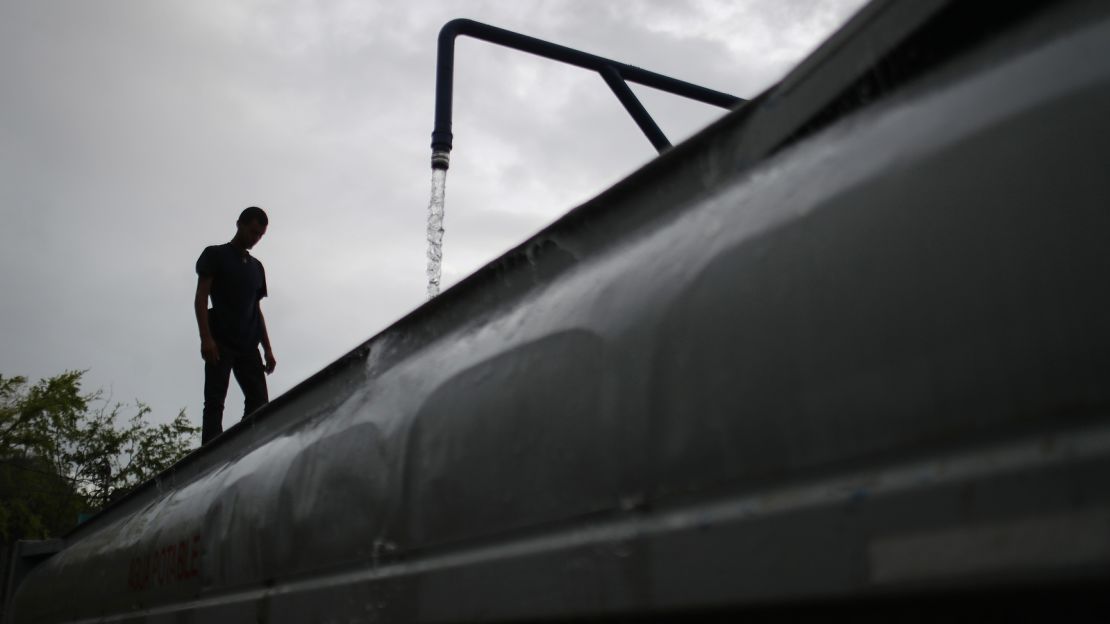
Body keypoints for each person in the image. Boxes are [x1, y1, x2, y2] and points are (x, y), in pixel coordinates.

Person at [194, 206, 277, 445]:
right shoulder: (215, 255)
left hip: (248, 343)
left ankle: (247, 444)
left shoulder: (257, 268)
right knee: (215, 401)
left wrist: (268, 348)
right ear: (239, 224)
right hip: (220, 340)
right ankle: (211, 450)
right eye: (252, 232)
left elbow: (256, 310)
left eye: (260, 235)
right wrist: (206, 338)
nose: (255, 239)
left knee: (259, 400)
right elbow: (201, 297)